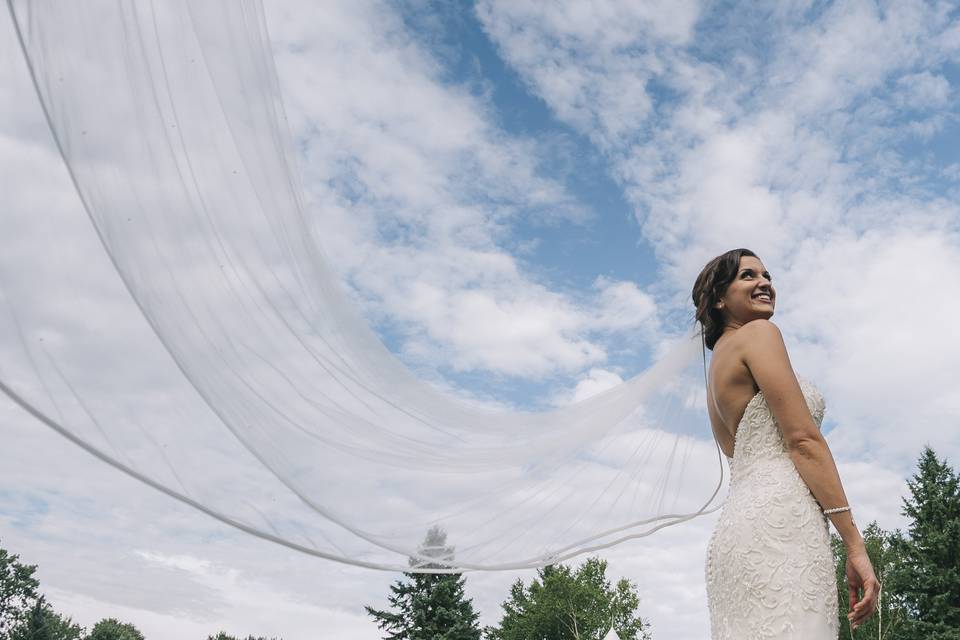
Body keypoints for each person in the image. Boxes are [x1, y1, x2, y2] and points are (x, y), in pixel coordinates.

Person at [692, 248, 880, 639]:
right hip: (782, 523)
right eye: (748, 276)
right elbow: (803, 441)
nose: (764, 283)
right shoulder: (759, 334)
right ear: (720, 299)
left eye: (767, 275)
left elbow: (741, 452)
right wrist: (855, 544)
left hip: (737, 531)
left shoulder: (715, 372)